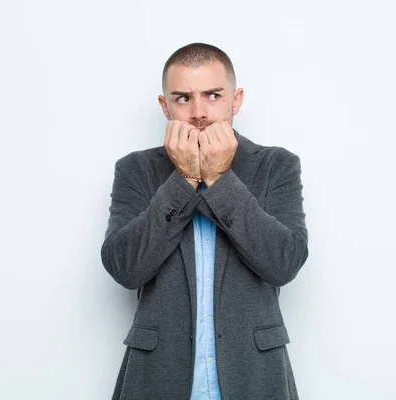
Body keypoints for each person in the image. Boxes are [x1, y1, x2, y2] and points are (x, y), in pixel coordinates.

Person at [101, 43, 309, 399]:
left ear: (236, 100)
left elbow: (284, 264)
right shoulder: (136, 169)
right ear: (165, 107)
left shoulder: (276, 165)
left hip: (255, 377)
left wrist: (219, 179)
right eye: (183, 99)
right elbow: (125, 268)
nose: (199, 112)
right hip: (157, 377)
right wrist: (183, 179)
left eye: (213, 95)